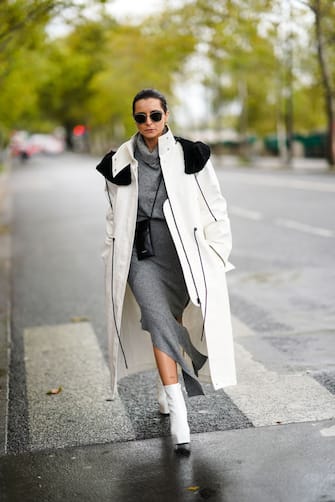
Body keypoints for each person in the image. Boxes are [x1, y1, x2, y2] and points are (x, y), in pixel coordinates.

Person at [96, 88, 236, 456]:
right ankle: (179, 413)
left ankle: (165, 385)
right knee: (158, 319)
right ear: (135, 120)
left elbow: (214, 205)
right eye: (140, 117)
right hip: (140, 255)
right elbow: (113, 216)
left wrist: (219, 251)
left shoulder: (191, 155)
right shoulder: (119, 162)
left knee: (172, 318)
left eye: (154, 116)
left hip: (182, 253)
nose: (148, 124)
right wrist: (112, 257)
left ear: (166, 115)